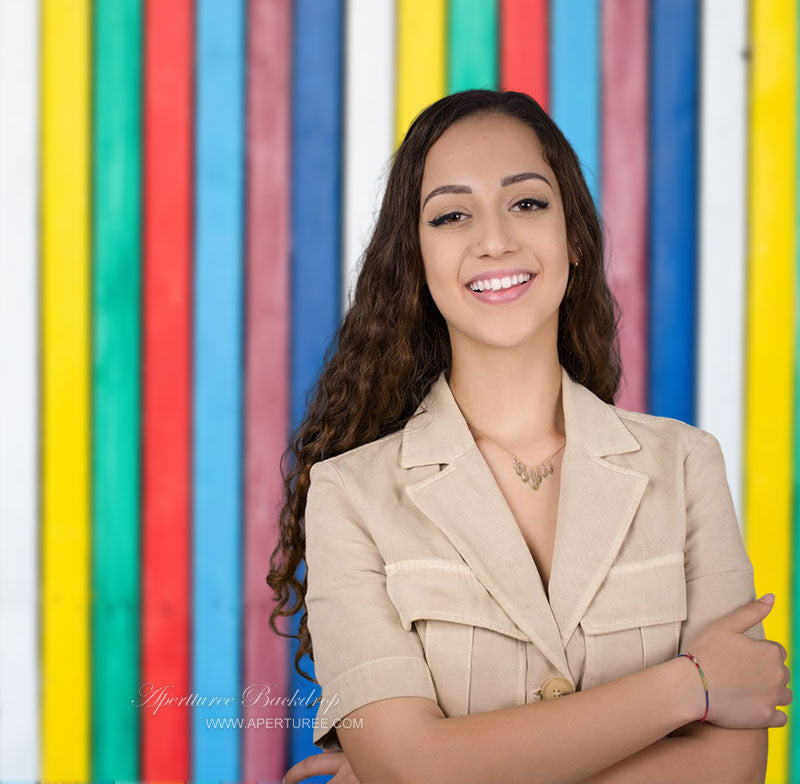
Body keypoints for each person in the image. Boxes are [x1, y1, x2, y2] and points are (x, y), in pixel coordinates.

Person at [268, 89, 791, 784]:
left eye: (527, 203)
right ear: (416, 262)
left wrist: (440, 766)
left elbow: (732, 768)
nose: (494, 239)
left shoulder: (687, 466)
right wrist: (690, 686)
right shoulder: (348, 496)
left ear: (572, 235)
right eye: (452, 215)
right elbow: (411, 768)